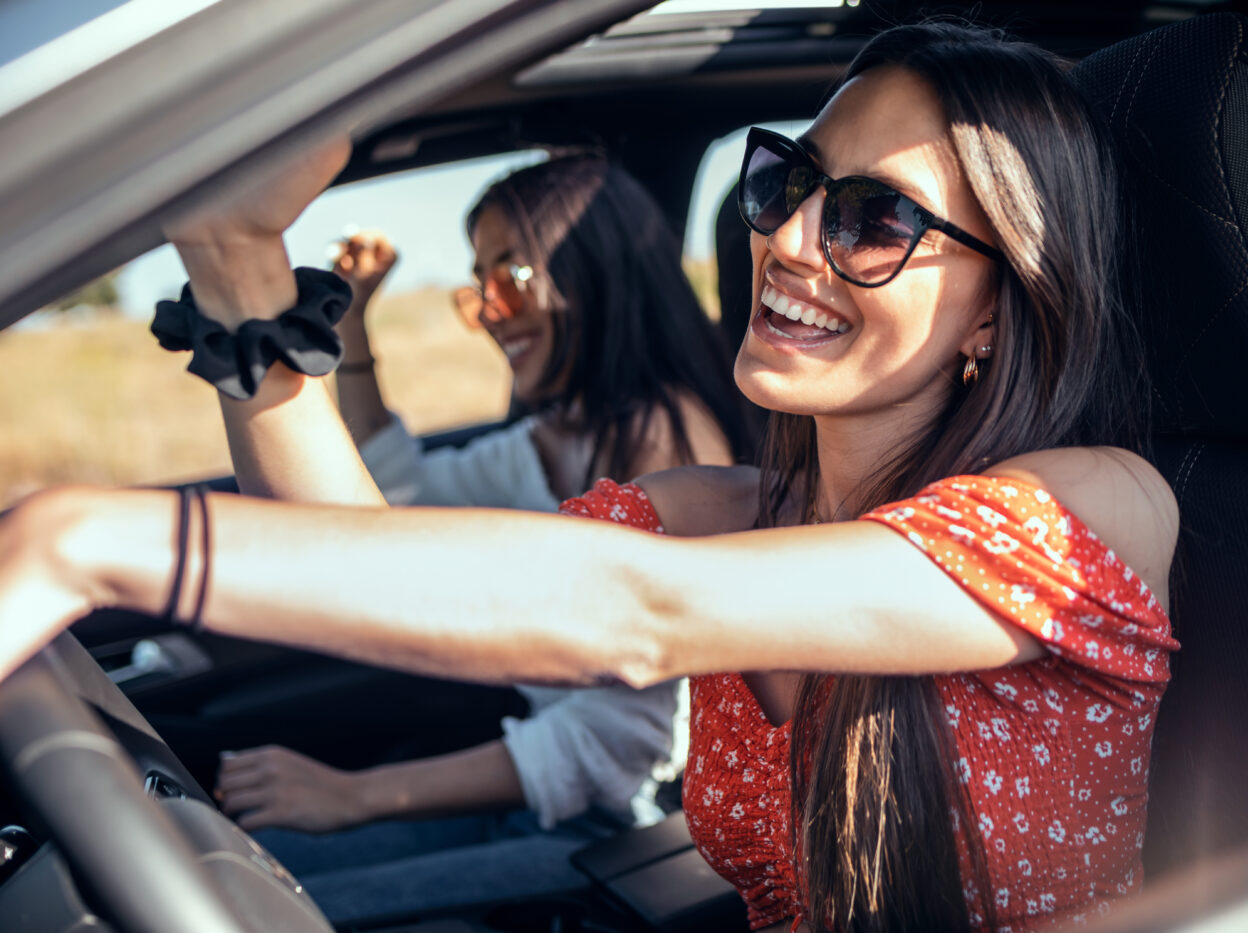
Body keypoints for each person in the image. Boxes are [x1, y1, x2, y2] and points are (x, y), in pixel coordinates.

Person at [0, 23, 1180, 933]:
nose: (786, 239)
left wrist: (79, 533)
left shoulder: (1093, 510)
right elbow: (363, 552)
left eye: (873, 220)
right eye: (789, 185)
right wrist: (234, 256)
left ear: (999, 308)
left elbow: (628, 611)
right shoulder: (718, 514)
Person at [210, 156, 751, 923]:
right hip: (548, 785)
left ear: (592, 275)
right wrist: (354, 324)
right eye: (479, 284)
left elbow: (622, 738)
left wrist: (352, 794)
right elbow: (398, 499)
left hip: (635, 824)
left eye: (514, 276)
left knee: (295, 908)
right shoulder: (555, 435)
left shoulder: (670, 444)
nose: (492, 309)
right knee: (252, 877)